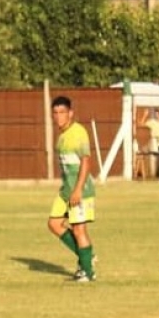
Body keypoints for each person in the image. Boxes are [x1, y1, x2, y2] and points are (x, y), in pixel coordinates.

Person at [48, 96, 98, 283]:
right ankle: (87, 256)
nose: (58, 116)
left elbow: (86, 161)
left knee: (79, 230)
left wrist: (77, 190)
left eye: (62, 112)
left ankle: (88, 272)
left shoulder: (78, 133)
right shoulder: (61, 137)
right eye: (55, 113)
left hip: (80, 190)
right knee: (54, 223)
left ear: (70, 113)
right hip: (66, 190)